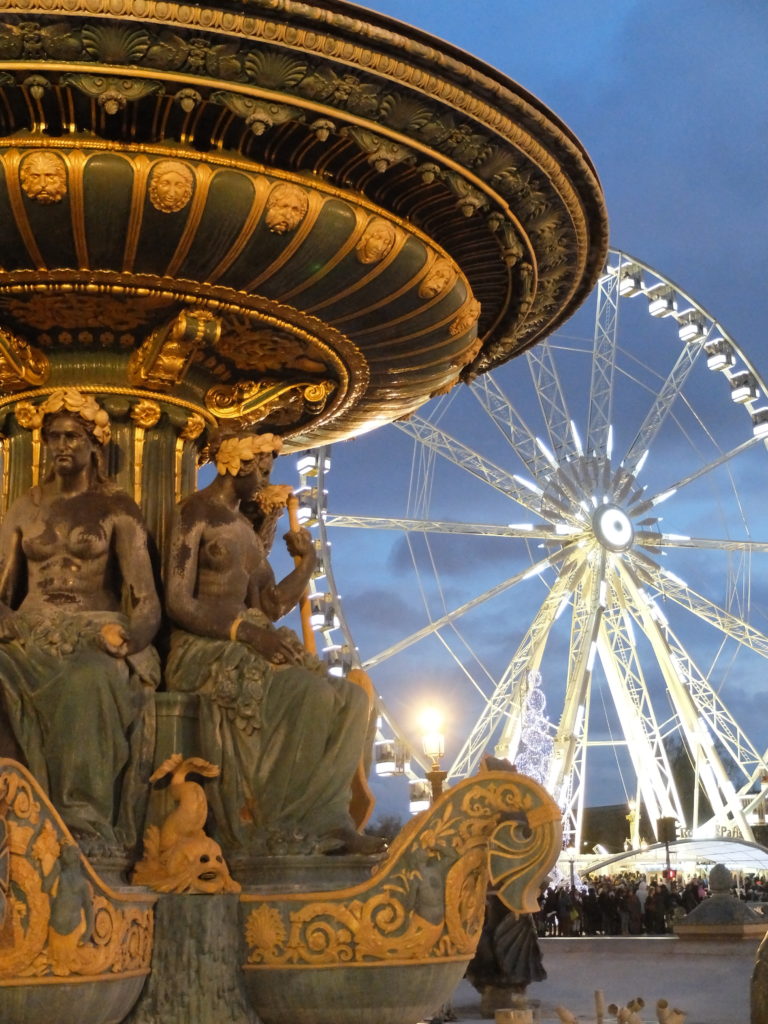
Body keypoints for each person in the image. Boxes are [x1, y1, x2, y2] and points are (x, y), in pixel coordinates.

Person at [164, 430, 381, 856]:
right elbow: (176, 600)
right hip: (208, 644)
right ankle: (289, 822)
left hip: (253, 639)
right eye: (262, 468)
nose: (266, 479)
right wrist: (244, 632)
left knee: (354, 702)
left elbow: (272, 603)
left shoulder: (245, 532)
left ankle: (331, 818)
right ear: (237, 465)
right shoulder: (196, 513)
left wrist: (308, 565)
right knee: (310, 693)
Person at [0, 389, 161, 852]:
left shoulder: (117, 509)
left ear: (95, 444)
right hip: (29, 633)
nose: (61, 445)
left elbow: (146, 599)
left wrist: (131, 640)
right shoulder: (24, 509)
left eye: (72, 435)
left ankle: (81, 820)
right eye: (53, 436)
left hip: (95, 631)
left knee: (87, 681)